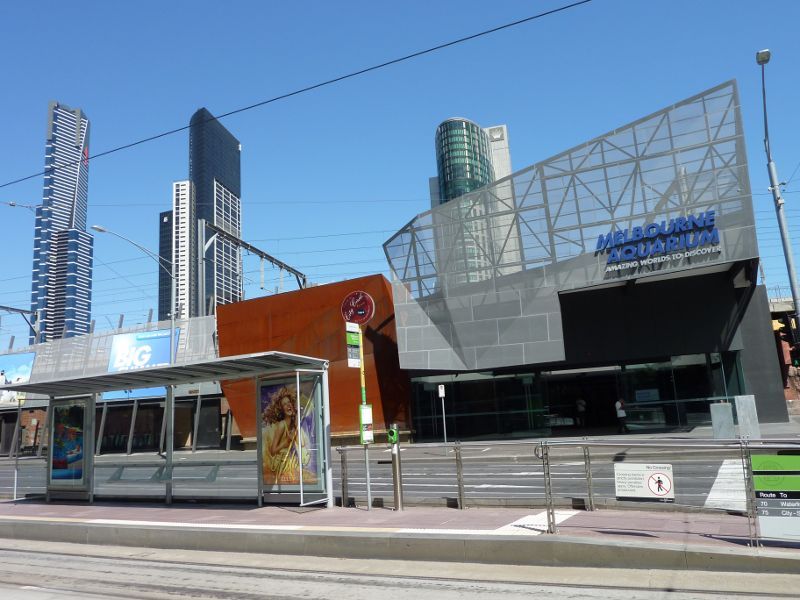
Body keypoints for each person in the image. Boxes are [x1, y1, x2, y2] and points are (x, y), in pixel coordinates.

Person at [262, 386, 313, 485]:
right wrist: (285, 442)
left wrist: (296, 422)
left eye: (289, 402)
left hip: (291, 464)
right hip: (282, 466)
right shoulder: (282, 425)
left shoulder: (294, 425)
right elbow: (273, 450)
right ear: (281, 409)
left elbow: (302, 444)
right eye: (284, 404)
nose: (288, 405)